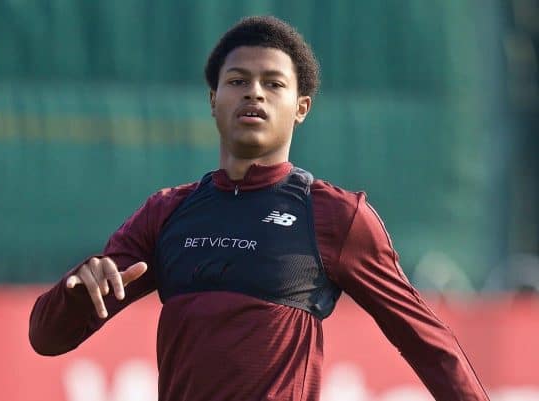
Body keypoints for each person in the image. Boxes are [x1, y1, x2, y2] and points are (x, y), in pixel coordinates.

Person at [29, 16, 489, 401]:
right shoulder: (166, 213)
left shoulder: (333, 216)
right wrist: (75, 294)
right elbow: (47, 338)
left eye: (273, 83)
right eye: (237, 81)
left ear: (300, 107)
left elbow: (427, 342)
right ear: (214, 101)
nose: (255, 93)